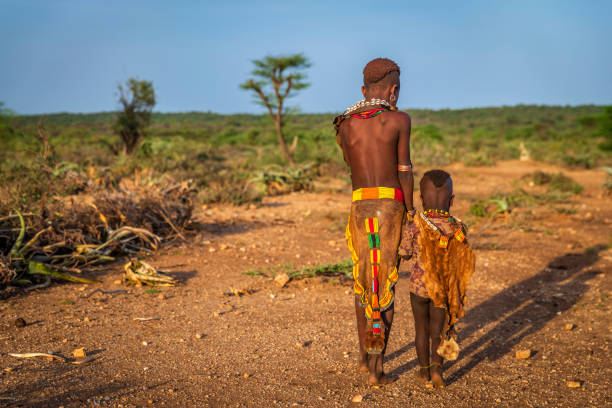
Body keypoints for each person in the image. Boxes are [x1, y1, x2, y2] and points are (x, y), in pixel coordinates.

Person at [334, 57, 415, 385]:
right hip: (390, 209)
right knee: (385, 287)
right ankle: (376, 369)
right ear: (393, 90)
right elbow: (404, 171)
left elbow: (351, 168)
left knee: (362, 282)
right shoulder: (398, 120)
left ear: (364, 90)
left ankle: (364, 359)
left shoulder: (344, 125)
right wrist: (410, 215)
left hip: (359, 208)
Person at [399, 169, 475, 388]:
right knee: (438, 332)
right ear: (451, 200)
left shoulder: (416, 225)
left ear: (421, 200)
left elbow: (404, 253)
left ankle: (423, 372)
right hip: (443, 291)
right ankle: (437, 372)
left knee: (420, 329)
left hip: (418, 288)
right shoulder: (457, 228)